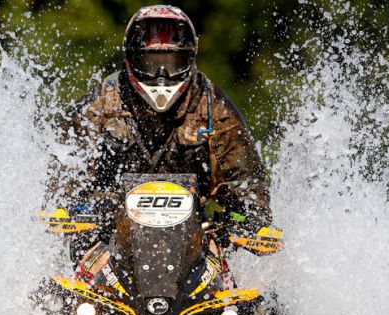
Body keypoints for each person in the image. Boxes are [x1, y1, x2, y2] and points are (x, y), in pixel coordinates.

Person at [51, 5, 274, 261]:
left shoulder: (212, 104)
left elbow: (245, 181)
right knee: (57, 295)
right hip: (107, 238)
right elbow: (63, 170)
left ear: (189, 59)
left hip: (194, 245)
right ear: (131, 59)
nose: (161, 75)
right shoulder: (102, 101)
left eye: (171, 62)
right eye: (151, 62)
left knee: (254, 297)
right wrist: (67, 207)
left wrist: (251, 217)